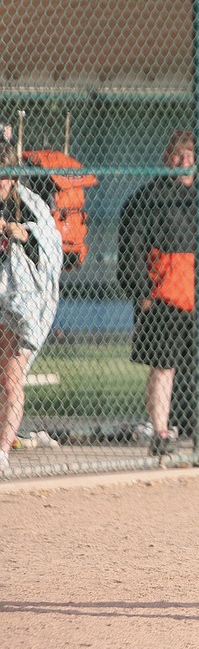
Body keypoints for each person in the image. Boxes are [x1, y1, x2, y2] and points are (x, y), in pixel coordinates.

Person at [117, 130, 199, 455]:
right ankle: (161, 433)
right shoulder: (146, 200)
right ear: (166, 158)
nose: (185, 161)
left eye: (191, 155)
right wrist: (142, 293)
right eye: (178, 154)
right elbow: (130, 252)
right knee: (163, 366)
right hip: (165, 299)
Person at [0, 143, 63, 473]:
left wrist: (21, 232)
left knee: (12, 379)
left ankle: (2, 451)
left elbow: (50, 243)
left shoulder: (26, 202)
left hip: (20, 303)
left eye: (4, 176)